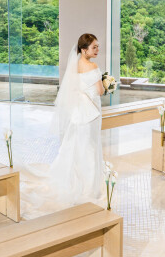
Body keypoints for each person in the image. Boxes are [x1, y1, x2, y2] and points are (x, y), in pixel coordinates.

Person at [20, 33, 106, 218]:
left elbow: (73, 90)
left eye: (98, 46)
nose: (97, 50)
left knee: (75, 146)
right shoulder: (93, 66)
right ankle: (89, 189)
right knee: (90, 147)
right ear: (84, 50)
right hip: (91, 113)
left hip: (78, 113)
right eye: (94, 47)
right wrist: (107, 85)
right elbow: (99, 91)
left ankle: (73, 180)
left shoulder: (74, 66)